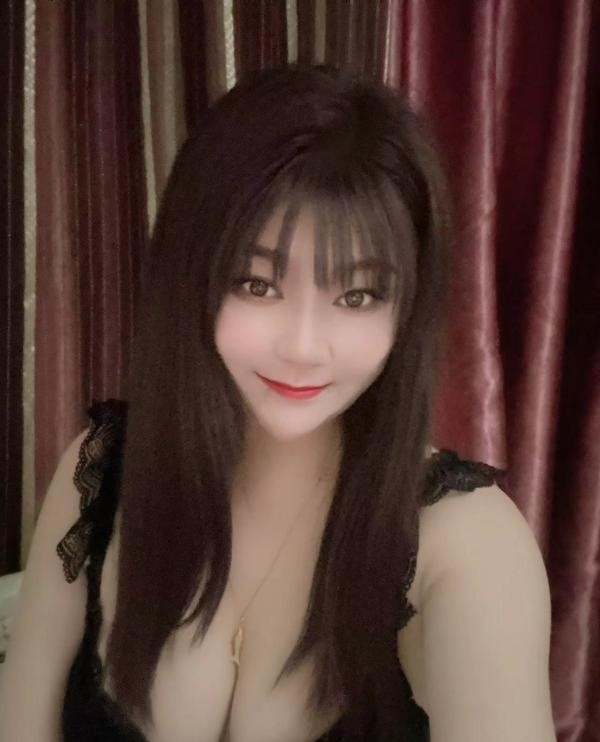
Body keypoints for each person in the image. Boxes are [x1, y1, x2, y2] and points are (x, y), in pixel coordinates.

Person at [0, 64, 556, 742]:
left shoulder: (464, 546)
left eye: (356, 296)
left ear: (407, 310)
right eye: (258, 284)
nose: (303, 347)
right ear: (193, 275)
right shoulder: (102, 475)